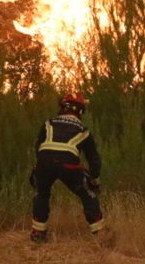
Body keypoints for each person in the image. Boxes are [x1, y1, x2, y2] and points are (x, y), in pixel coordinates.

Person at [30, 91, 104, 241]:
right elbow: (94, 159)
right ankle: (100, 235)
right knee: (87, 193)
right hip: (68, 164)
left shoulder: (48, 123)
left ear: (63, 107)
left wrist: (39, 169)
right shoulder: (84, 131)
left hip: (44, 162)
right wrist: (94, 179)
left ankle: (38, 233)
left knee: (41, 193)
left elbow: (38, 147)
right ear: (81, 111)